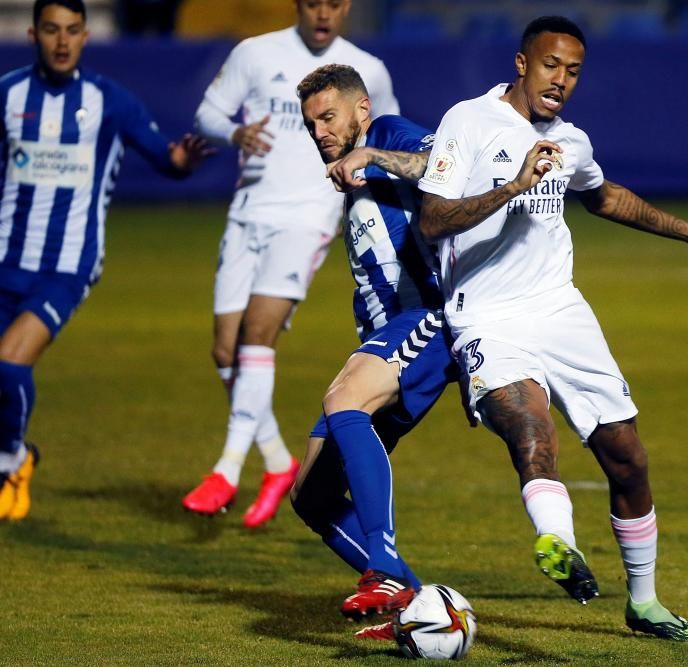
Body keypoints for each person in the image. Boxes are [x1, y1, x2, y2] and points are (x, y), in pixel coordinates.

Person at [406, 16, 688, 641]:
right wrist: (512, 187)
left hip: (561, 311)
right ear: (521, 63)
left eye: (573, 71)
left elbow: (604, 196)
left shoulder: (572, 141)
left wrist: (687, 229)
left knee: (627, 459)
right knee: (530, 431)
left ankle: (643, 603)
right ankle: (558, 544)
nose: (560, 80)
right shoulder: (468, 122)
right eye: (550, 65)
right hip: (485, 313)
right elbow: (431, 221)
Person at [182, 0, 399, 529]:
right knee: (224, 350)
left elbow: (384, 133)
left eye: (336, 3)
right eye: (312, 2)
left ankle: (227, 469)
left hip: (309, 216)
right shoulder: (255, 53)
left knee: (258, 334)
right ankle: (278, 463)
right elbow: (207, 114)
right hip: (249, 210)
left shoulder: (365, 68)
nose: (324, 13)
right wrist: (233, 133)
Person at [0, 0, 210, 522]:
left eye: (73, 30)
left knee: (8, 363)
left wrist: (181, 160)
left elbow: (165, 158)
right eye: (52, 30)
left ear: (86, 36)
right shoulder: (8, 94)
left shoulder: (109, 102)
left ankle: (13, 460)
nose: (63, 40)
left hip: (67, 266)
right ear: (34, 34)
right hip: (5, 259)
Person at [289, 64, 456, 636]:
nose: (320, 132)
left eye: (329, 117)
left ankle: (383, 569)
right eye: (311, 124)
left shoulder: (386, 132)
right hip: (385, 339)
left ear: (361, 109)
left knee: (343, 402)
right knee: (310, 496)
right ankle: (424, 610)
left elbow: (447, 167)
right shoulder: (350, 180)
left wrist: (371, 156)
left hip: (430, 321)